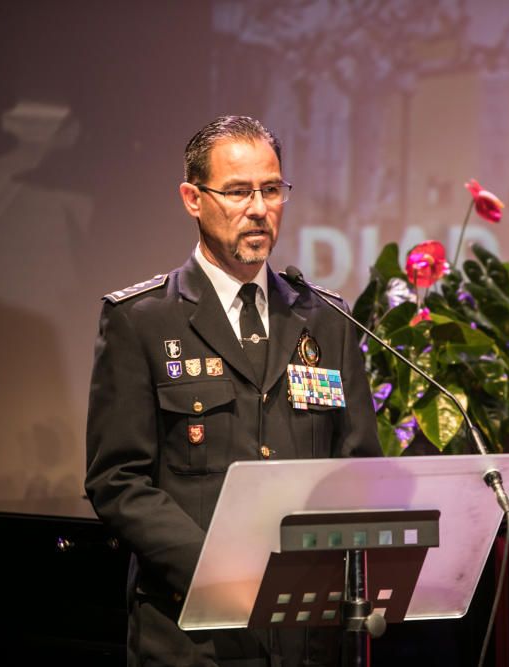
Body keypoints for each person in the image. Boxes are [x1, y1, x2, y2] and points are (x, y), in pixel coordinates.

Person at [85, 115, 381, 666]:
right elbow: (117, 479)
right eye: (239, 191)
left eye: (272, 190)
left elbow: (358, 465)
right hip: (195, 634)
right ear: (192, 199)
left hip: (308, 636)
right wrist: (221, 568)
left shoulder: (329, 320)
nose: (259, 208)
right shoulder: (141, 320)